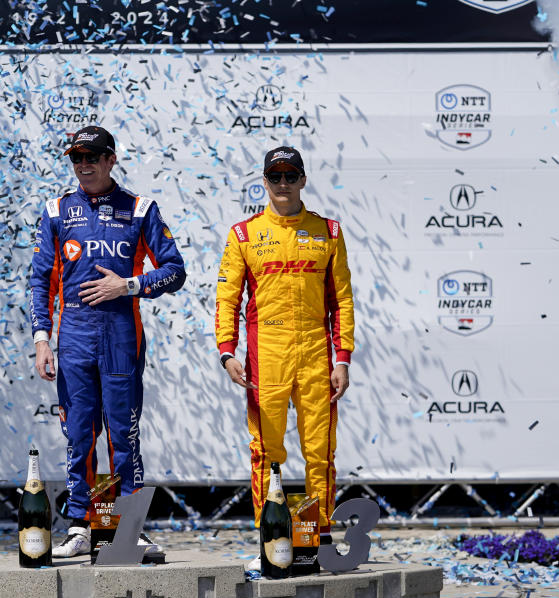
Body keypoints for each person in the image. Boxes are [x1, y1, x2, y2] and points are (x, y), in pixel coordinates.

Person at [30, 126, 187, 558]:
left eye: (93, 157)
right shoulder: (57, 210)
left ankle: (129, 525)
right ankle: (80, 525)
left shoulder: (140, 208)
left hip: (121, 335)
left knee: (123, 434)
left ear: (111, 159)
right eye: (77, 158)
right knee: (79, 434)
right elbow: (41, 277)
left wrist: (130, 285)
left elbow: (175, 270)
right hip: (75, 336)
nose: (84, 165)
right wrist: (42, 339)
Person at [214, 146, 355, 554]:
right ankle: (271, 535)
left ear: (303, 180)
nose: (283, 184)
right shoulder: (244, 233)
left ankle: (320, 537)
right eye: (275, 177)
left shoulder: (329, 231)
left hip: (315, 352)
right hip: (266, 354)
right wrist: (228, 351)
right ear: (264, 181)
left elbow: (341, 300)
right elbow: (228, 298)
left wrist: (341, 358)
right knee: (266, 452)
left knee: (321, 452)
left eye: (290, 176)